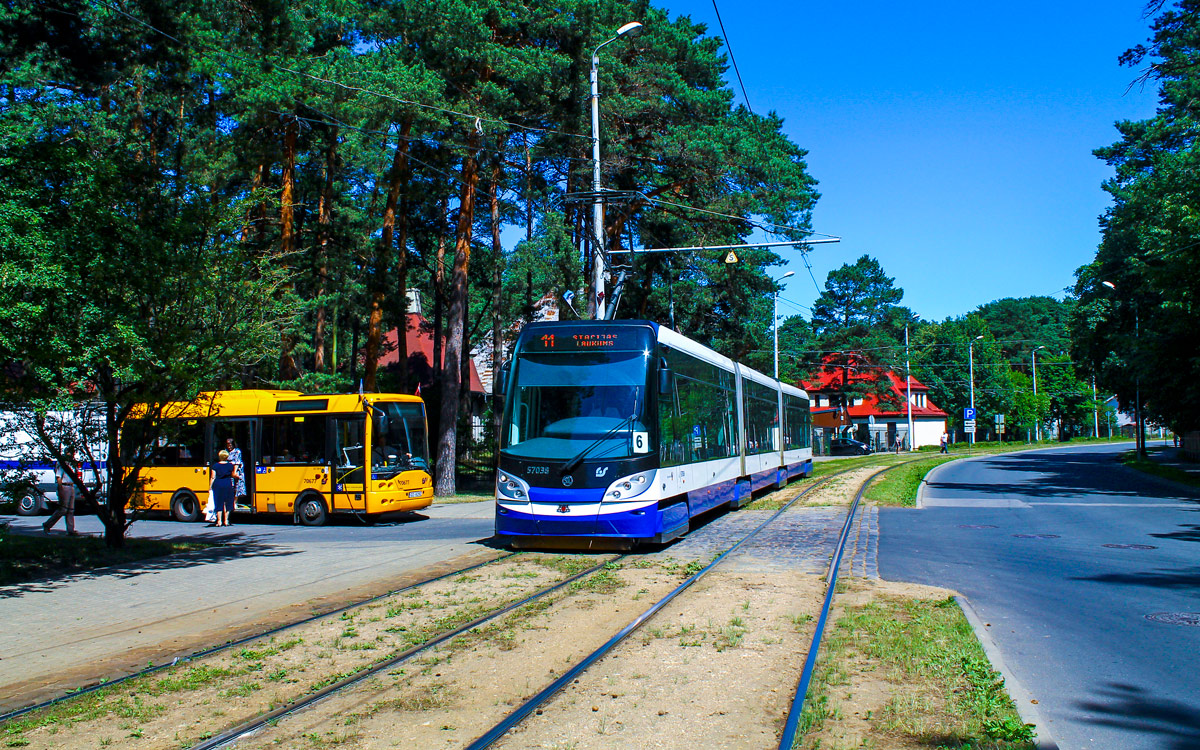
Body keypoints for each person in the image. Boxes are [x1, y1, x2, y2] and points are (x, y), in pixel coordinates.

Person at [44, 454, 81, 536]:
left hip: (71, 486)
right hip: (64, 486)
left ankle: (70, 530)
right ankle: (47, 524)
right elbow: (58, 477)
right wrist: (60, 489)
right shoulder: (62, 463)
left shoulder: (72, 464)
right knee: (63, 509)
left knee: (70, 510)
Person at [209, 449, 239, 527]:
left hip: (218, 484)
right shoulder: (230, 465)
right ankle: (226, 520)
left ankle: (219, 521)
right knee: (227, 502)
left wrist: (210, 487)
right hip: (227, 483)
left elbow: (213, 477)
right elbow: (233, 475)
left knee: (219, 502)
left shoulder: (215, 466)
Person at [224, 437, 247, 507]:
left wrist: (234, 472)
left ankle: (235, 502)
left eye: (230, 445)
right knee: (230, 487)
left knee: (237, 487)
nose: (229, 446)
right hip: (228, 472)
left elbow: (237, 462)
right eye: (228, 445)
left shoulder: (237, 451)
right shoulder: (226, 451)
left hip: (236, 471)